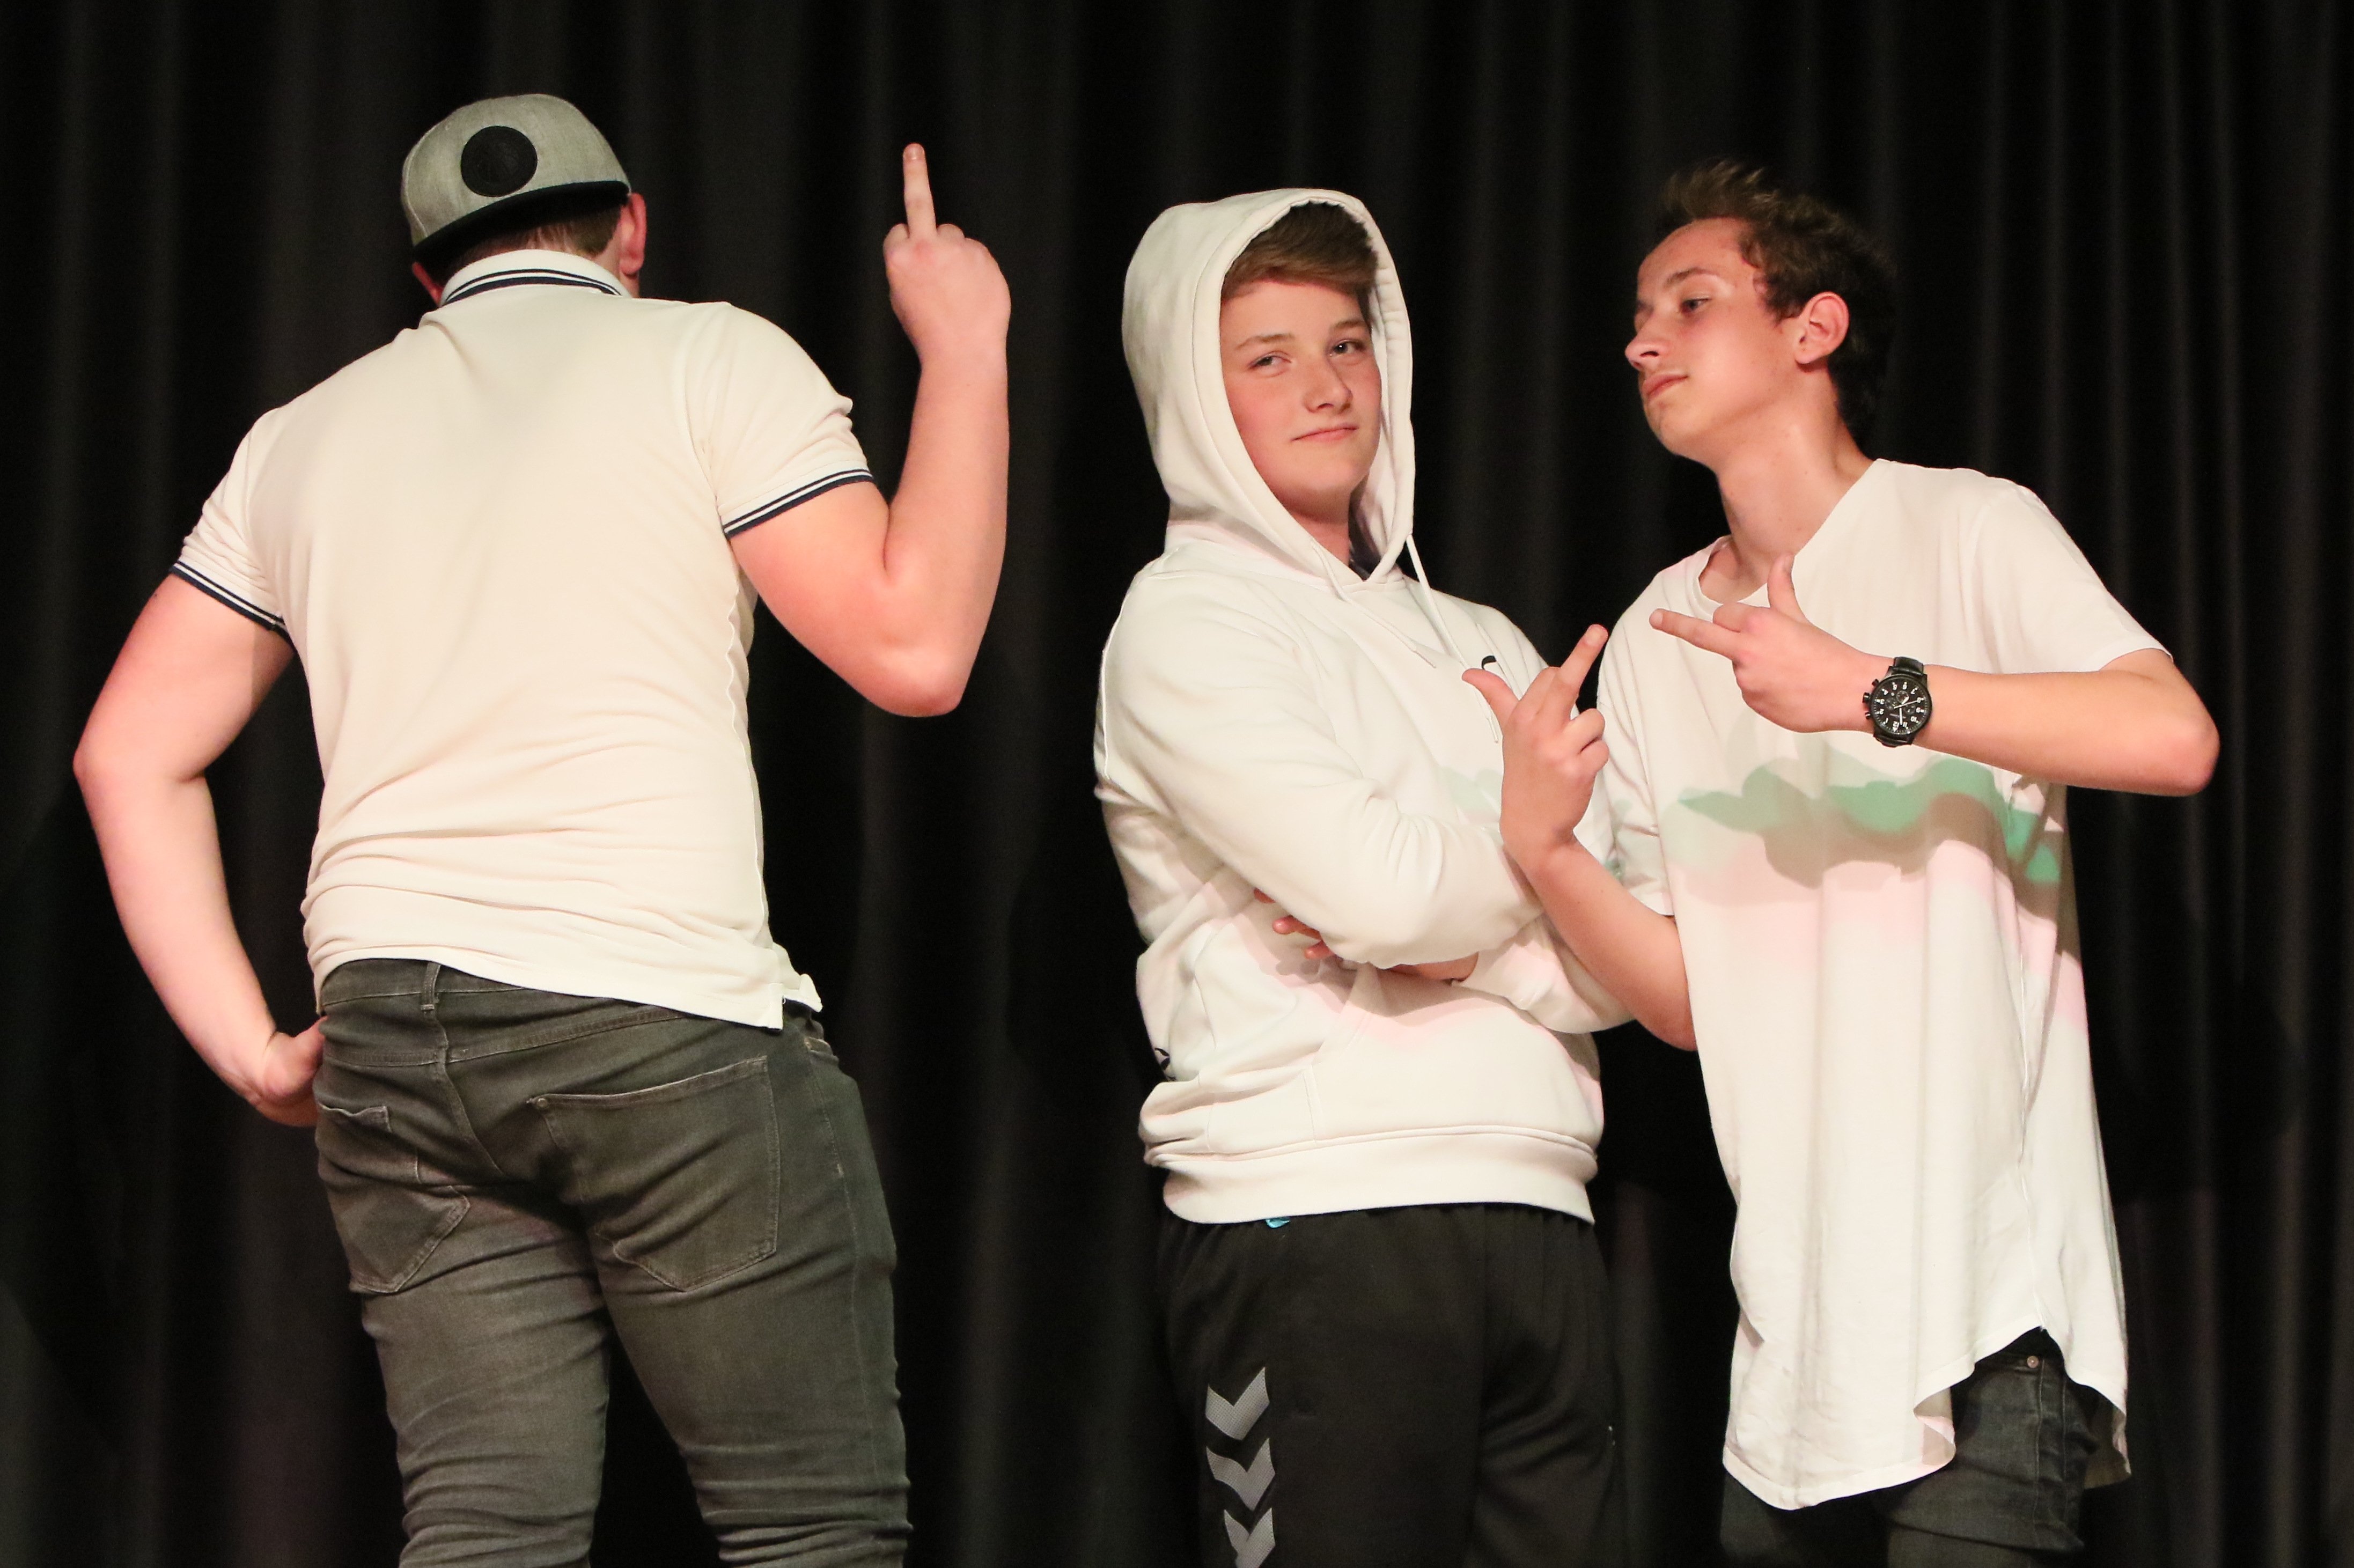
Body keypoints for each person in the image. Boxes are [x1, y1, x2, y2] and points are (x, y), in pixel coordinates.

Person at [73, 93, 1009, 1564]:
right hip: (659, 1018)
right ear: (629, 228)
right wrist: (963, 350)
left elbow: (124, 752)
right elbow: (916, 649)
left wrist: (255, 1048)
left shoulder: (299, 437)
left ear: (428, 274)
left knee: (485, 1533)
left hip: (391, 1038)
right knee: (813, 1534)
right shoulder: (708, 357)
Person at [1466, 162, 2218, 1566]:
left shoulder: (1963, 525)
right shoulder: (1658, 636)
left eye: (1690, 303)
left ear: (1811, 329)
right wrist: (1545, 849)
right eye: (1637, 314)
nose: (1641, 342)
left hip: (1984, 1317)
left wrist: (1875, 692)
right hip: (1794, 1357)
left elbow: (2172, 736)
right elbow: (1682, 1001)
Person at [1097, 190, 1630, 1568]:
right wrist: (1523, 871)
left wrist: (1459, 935)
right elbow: (1394, 900)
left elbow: (1634, 944)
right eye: (1267, 357)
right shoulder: (1186, 621)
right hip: (1312, 1209)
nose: (1327, 387)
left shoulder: (1484, 636)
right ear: (1194, 393)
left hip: (1542, 1206)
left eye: (1346, 344)